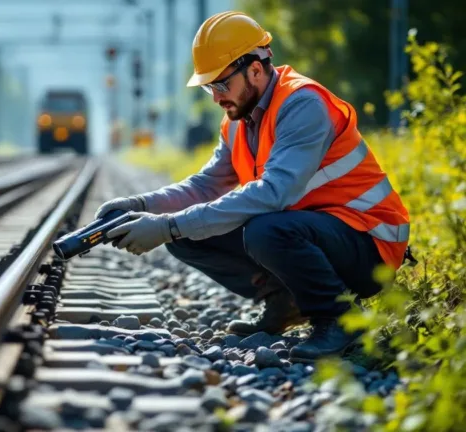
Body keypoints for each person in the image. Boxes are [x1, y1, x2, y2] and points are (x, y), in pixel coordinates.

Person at [100, 11, 411, 362]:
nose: (216, 97)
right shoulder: (237, 121)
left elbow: (275, 193)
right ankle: (286, 303)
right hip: (313, 234)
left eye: (221, 85)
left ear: (256, 70)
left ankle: (339, 320)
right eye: (209, 87)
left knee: (264, 230)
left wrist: (166, 226)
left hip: (371, 244)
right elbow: (205, 187)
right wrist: (141, 206)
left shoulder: (302, 104)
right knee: (187, 233)